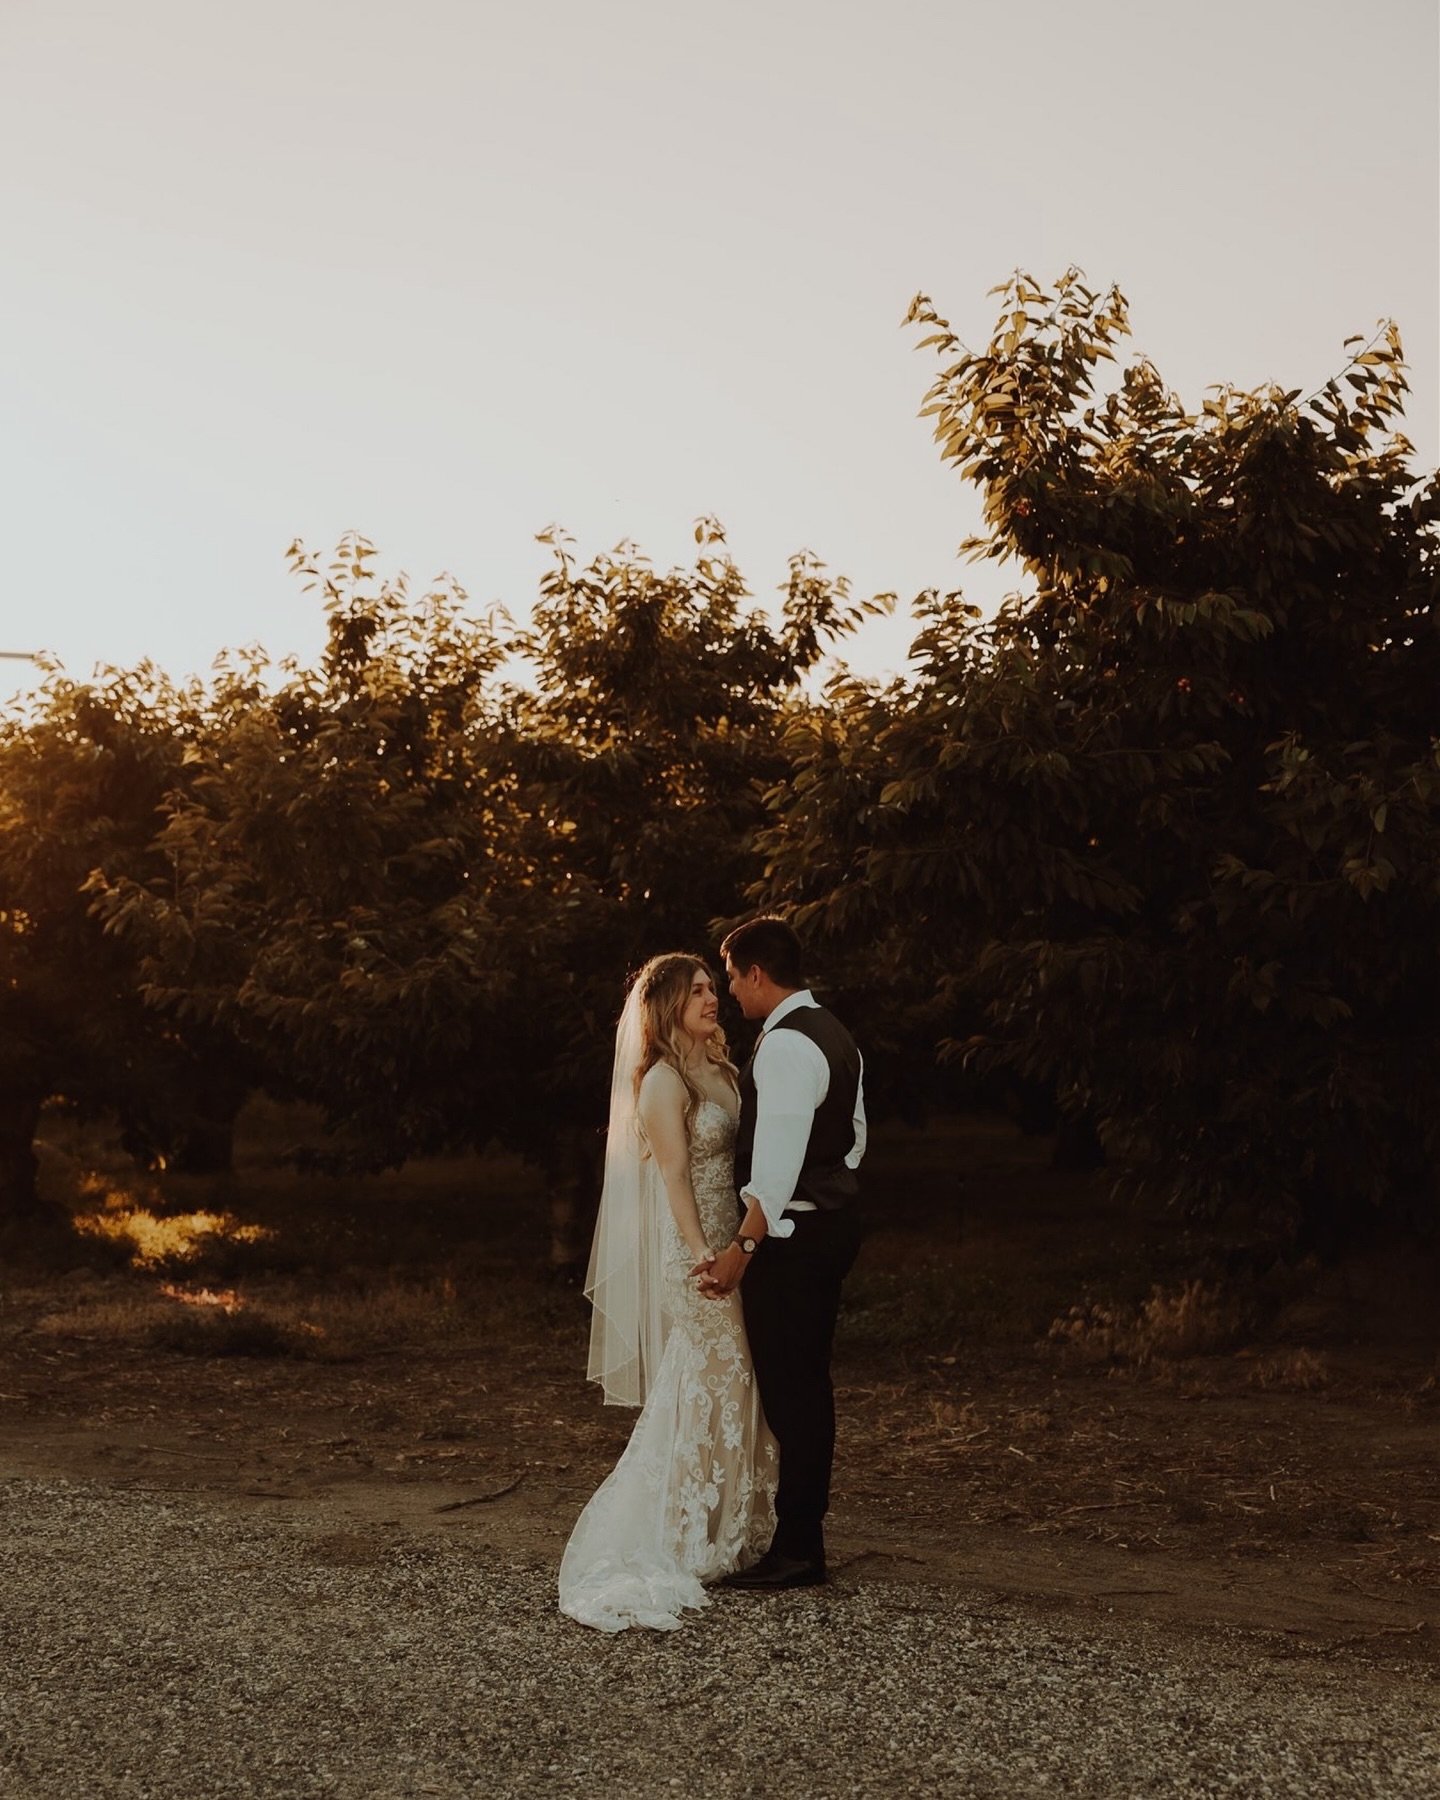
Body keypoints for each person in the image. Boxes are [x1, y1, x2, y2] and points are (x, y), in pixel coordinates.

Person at [557, 954, 777, 1633]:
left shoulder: (722, 1069)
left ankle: (730, 1526)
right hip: (695, 1254)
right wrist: (704, 1255)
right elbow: (675, 1179)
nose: (714, 998)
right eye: (699, 991)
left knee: (734, 1386)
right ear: (668, 1003)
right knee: (719, 1379)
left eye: (716, 987)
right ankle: (687, 1535)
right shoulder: (661, 1080)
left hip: (735, 1245)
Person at [695, 916, 864, 1590]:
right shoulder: (835, 1033)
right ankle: (799, 1535)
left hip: (792, 1236)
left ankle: (798, 1548)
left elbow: (778, 1162)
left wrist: (744, 1245)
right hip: (828, 1224)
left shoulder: (788, 1045)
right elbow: (853, 1138)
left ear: (757, 973)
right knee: (807, 1384)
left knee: (794, 1390)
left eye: (732, 976)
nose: (730, 990)